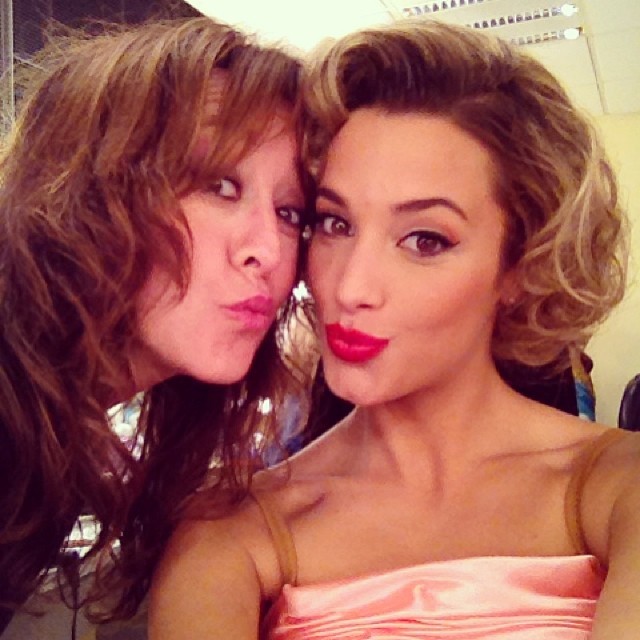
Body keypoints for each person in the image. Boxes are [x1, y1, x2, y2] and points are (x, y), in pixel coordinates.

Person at [148, 20, 639, 640]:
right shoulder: (232, 530)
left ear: (521, 267)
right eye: (334, 224)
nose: (350, 286)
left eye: (424, 240)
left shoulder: (618, 486)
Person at [0, 15, 312, 629]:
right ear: (87, 187)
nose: (269, 251)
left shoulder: (52, 433)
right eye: (220, 185)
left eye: (290, 212)